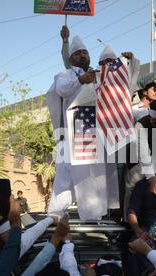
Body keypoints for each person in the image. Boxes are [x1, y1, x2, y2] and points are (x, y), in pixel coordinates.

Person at [46, 35, 118, 221]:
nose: (83, 55)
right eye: (78, 53)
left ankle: (93, 220)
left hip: (92, 135)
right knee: (64, 179)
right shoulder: (66, 76)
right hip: (71, 136)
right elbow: (62, 90)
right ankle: (53, 219)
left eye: (85, 52)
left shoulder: (97, 76)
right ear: (71, 59)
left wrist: (128, 62)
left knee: (93, 179)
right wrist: (80, 81)